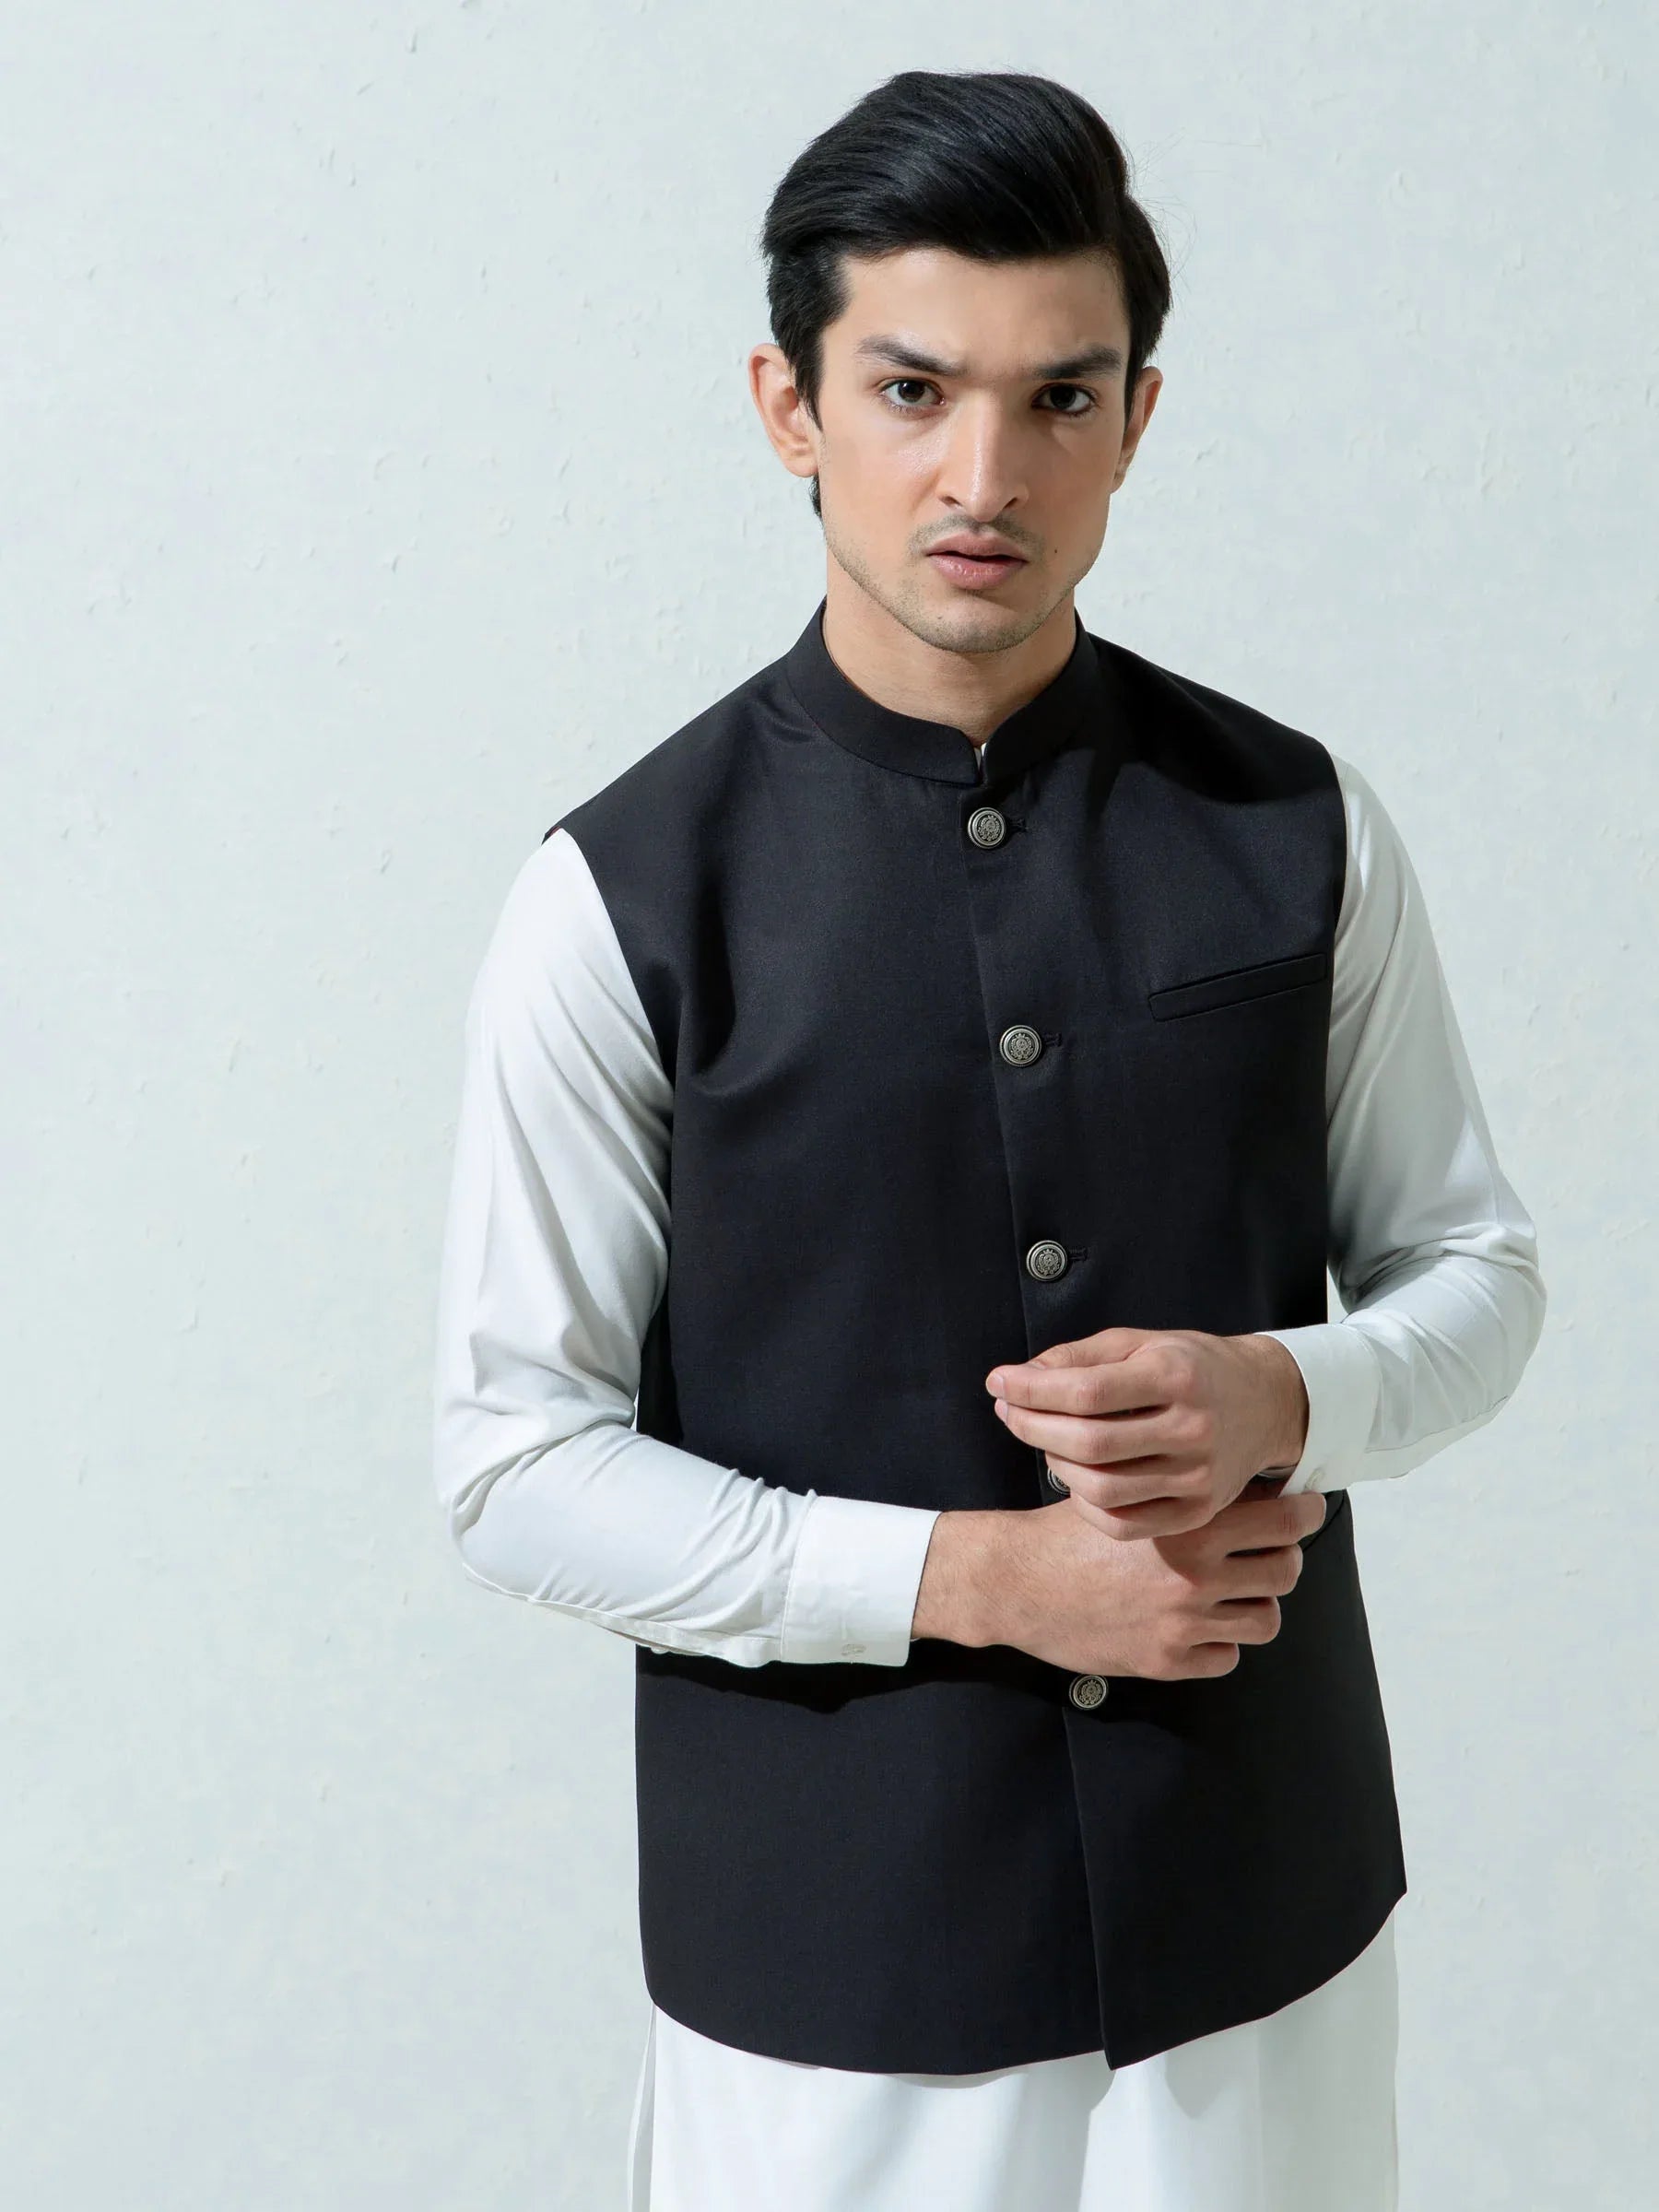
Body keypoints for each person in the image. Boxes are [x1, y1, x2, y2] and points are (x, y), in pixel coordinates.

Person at [431, 68, 1547, 2212]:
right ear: (790, 406)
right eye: (913, 389)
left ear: (1136, 420)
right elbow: (510, 1463)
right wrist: (983, 1579)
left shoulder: (1298, 825)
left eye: (1060, 399)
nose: (985, 473)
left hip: (1261, 1943)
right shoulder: (617, 898)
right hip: (831, 1978)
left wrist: (1280, 1390)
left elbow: (1476, 1275)